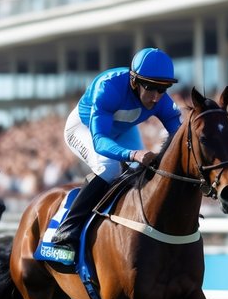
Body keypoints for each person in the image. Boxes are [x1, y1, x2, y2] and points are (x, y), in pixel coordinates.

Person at [50, 47, 182, 257]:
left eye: (163, 89)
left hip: (123, 130)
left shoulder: (162, 101)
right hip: (84, 128)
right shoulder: (109, 86)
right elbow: (100, 141)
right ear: (134, 81)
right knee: (109, 168)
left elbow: (181, 137)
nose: (157, 97)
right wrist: (133, 154)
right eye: (151, 88)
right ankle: (67, 230)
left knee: (143, 171)